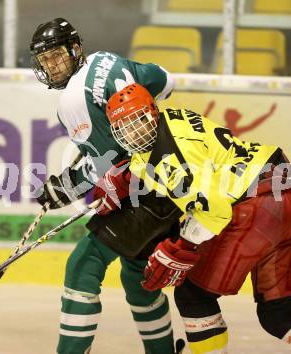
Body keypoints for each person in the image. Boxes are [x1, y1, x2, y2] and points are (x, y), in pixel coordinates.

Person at [97, 83, 291, 354]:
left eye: (138, 120)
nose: (134, 132)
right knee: (278, 313)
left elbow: (214, 210)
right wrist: (128, 177)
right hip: (287, 194)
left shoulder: (174, 158)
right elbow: (166, 161)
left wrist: (181, 248)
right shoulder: (172, 117)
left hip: (256, 209)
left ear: (152, 112)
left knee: (193, 296)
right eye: (124, 127)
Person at [29, 18, 184, 354]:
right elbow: (167, 81)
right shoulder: (108, 60)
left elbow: (104, 161)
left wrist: (67, 186)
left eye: (56, 55)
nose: (52, 66)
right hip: (171, 183)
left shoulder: (71, 100)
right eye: (45, 60)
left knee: (84, 266)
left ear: (74, 49)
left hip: (145, 194)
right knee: (138, 279)